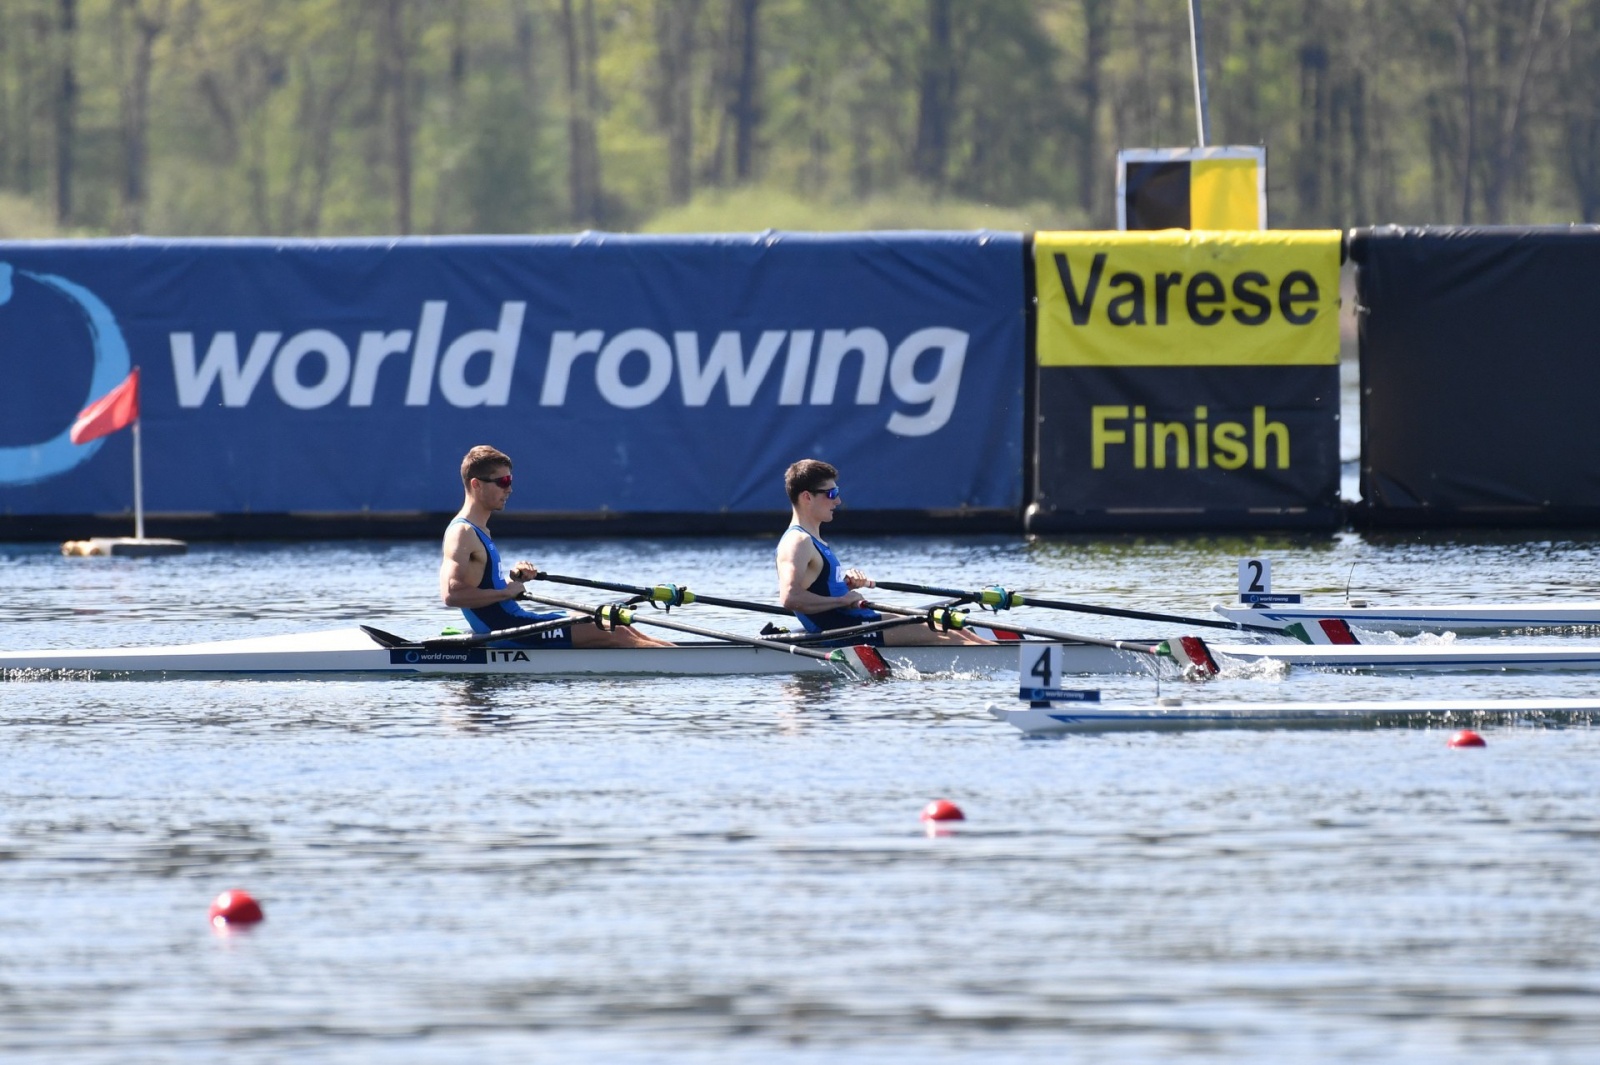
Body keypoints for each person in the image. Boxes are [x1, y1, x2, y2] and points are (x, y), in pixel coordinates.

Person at [440, 445, 671, 648]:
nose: (509, 489)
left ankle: (690, 656)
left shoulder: (480, 530)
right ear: (476, 485)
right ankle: (691, 667)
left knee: (616, 623)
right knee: (613, 631)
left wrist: (515, 582)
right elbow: (452, 595)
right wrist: (506, 592)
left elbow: (484, 587)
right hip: (505, 630)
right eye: (503, 482)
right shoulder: (462, 532)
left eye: (510, 481)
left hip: (515, 618)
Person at [775, 458, 989, 646]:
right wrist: (841, 600)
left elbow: (818, 585)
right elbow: (790, 597)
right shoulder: (797, 541)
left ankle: (1001, 654)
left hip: (857, 619)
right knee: (953, 637)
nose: (838, 501)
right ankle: (1007, 669)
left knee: (953, 627)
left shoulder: (813, 539)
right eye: (831, 493)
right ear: (807, 497)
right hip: (845, 629)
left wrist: (843, 585)